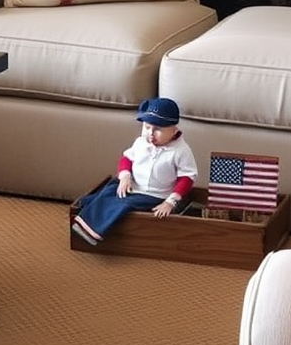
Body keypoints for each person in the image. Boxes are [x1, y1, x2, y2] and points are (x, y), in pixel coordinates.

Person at [71, 97, 198, 247]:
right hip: (133, 185)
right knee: (110, 189)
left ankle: (91, 230)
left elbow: (187, 178)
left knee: (122, 203)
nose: (151, 133)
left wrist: (170, 201)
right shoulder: (141, 142)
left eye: (158, 129)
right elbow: (126, 159)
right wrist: (125, 177)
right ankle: (84, 208)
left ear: (173, 130)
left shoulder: (180, 151)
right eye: (147, 127)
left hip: (154, 195)